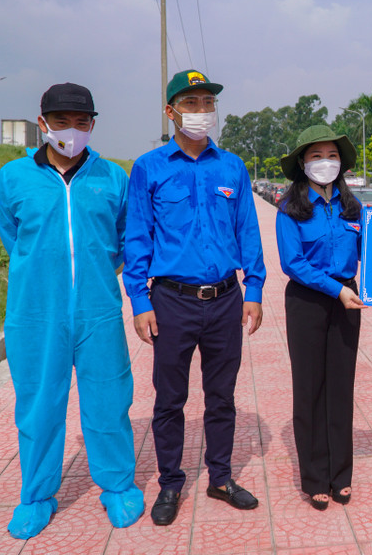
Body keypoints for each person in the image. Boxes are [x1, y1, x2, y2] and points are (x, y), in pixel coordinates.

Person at [0, 83, 144, 539]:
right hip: (36, 312)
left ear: (92, 124)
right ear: (43, 123)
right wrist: (47, 271)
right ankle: (37, 496)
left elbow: (123, 239)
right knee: (38, 404)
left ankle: (118, 486)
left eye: (81, 122)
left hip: (98, 311)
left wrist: (93, 270)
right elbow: (13, 236)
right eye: (61, 122)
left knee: (109, 400)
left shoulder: (112, 177)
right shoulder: (13, 178)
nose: (71, 131)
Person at [124, 69, 266, 525]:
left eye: (208, 103)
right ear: (171, 111)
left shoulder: (232, 167)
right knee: (170, 399)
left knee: (221, 396)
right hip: (172, 301)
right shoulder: (149, 167)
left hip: (226, 299)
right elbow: (137, 237)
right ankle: (170, 483)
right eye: (191, 103)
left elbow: (248, 230)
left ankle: (220, 478)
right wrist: (140, 301)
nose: (202, 111)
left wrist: (254, 288)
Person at [275, 125, 367, 510]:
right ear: (302, 163)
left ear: (341, 163)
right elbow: (293, 263)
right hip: (308, 302)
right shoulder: (290, 208)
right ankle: (315, 477)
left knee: (341, 388)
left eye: (331, 155)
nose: (325, 162)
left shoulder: (354, 207)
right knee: (310, 388)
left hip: (348, 300)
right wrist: (336, 290)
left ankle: (340, 474)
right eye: (316, 156)